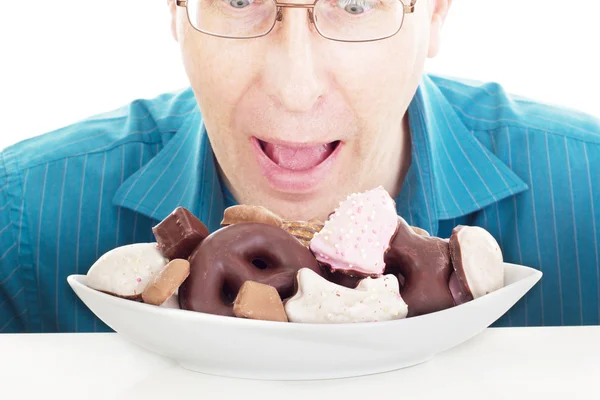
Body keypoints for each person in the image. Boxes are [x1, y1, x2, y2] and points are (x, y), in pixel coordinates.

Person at [1, 0, 599, 333]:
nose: (295, 89)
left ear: (436, 13)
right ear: (176, 10)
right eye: (240, 1)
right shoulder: (22, 224)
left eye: (355, 5)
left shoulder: (588, 199)